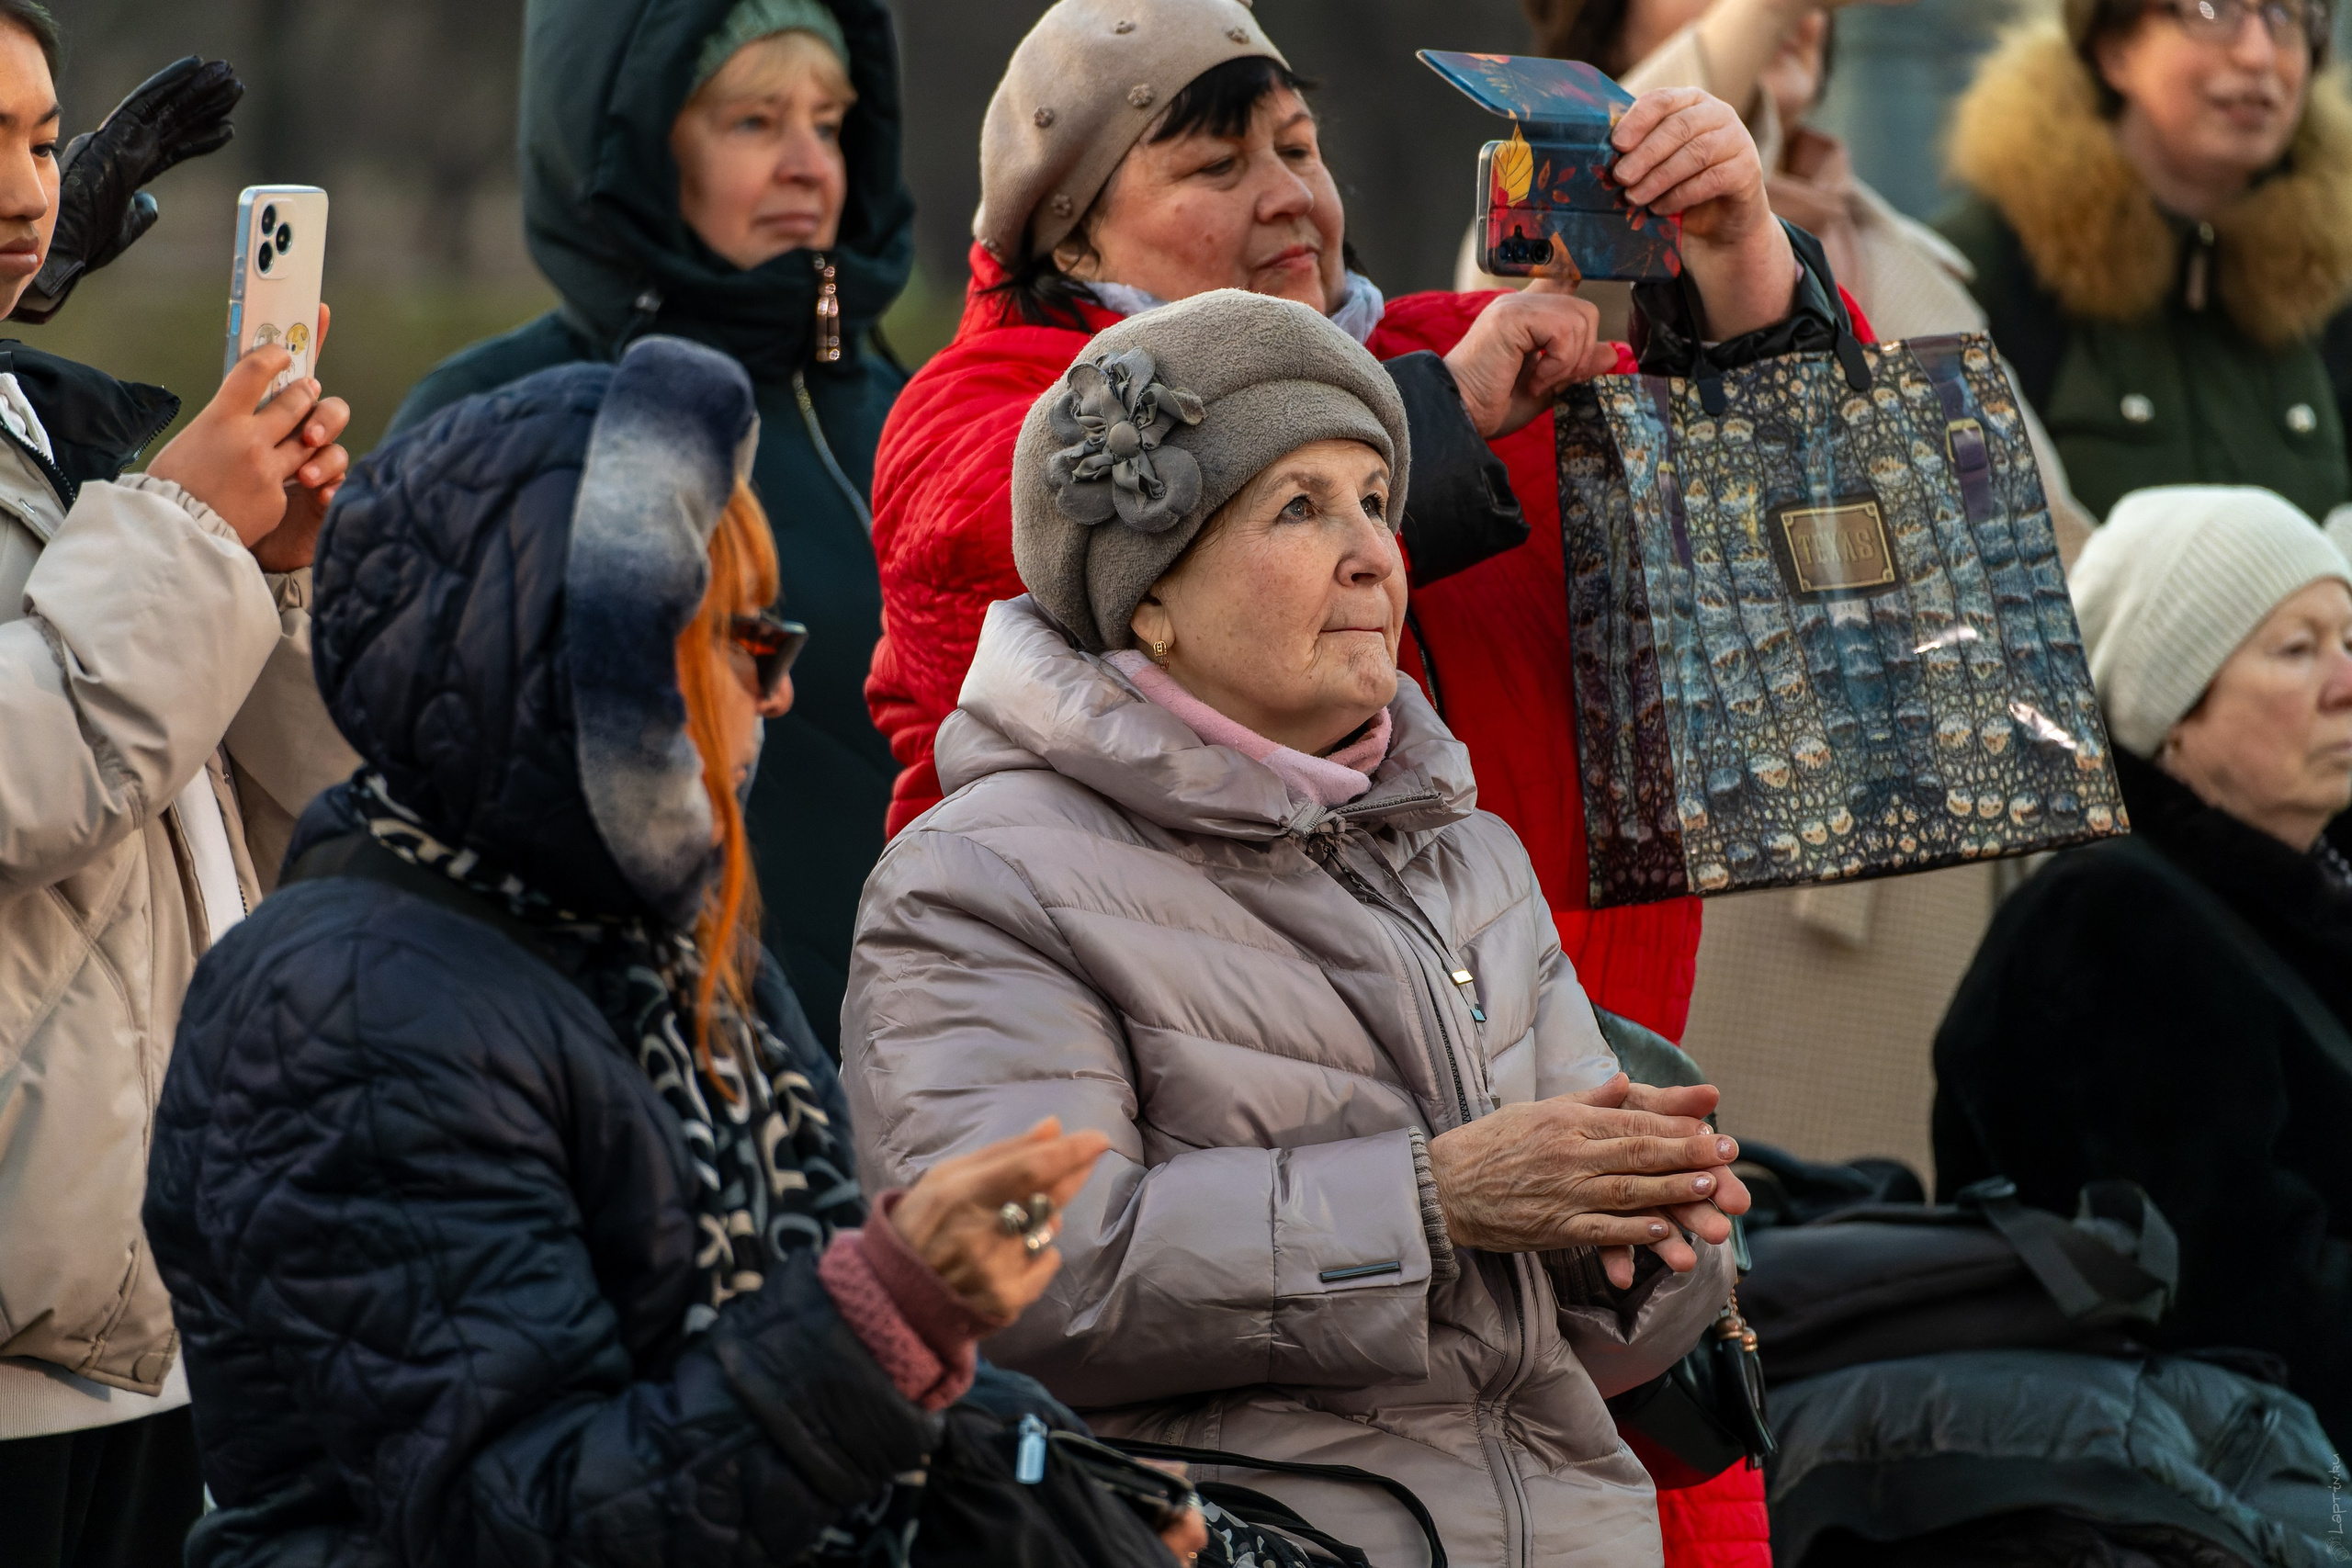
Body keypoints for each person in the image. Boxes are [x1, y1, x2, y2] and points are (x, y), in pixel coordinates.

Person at [142, 335, 1206, 1564]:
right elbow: (524, 1519)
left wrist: (1074, 1481)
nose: (781, 691)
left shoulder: (653, 922)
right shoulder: (352, 1009)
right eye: (745, 640)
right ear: (593, 674)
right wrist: (892, 1314)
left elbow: (814, 1331)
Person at [846, 291, 1757, 1567]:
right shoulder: (978, 878)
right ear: (1146, 597)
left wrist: (1648, 1247)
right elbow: (1019, 1281)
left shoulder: (1465, 853)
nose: (1375, 552)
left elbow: (1599, 1356)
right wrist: (1437, 1200)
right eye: (1298, 505)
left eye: (1377, 499)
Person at [867, 0, 1821, 1051]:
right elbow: (1029, 551)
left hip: (1571, 1066)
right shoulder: (977, 406)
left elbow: (1800, 523)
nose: (1286, 195)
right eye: (1215, 168)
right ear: (1073, 226)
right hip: (1196, 1083)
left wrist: (1739, 253)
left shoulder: (1462, 348)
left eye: (1297, 149)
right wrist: (1433, 419)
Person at [0, 9, 356, 1562]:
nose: (27, 192)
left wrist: (270, 579)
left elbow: (298, 812)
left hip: (164, 1329)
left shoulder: (48, 426)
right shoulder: (109, 478)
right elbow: (30, 781)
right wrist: (182, 534)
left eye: (33, 138)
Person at [389, 0, 912, 1052]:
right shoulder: (502, 419)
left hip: (950, 1073)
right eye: (754, 122)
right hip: (655, 1081)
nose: (810, 164)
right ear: (625, 147)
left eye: (831, 120)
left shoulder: (912, 405)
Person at [1933, 484, 2352, 1452]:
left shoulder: (2297, 899)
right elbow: (2219, 1297)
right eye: (2296, 650)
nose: (2344, 680)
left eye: (2347, 638)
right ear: (2172, 712)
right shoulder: (2109, 927)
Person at [1939, 0, 2352, 521]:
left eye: (2285, 16)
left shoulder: (2331, 276)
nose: (2257, 55)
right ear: (2115, 51)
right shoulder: (1988, 269)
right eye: (2210, 10)